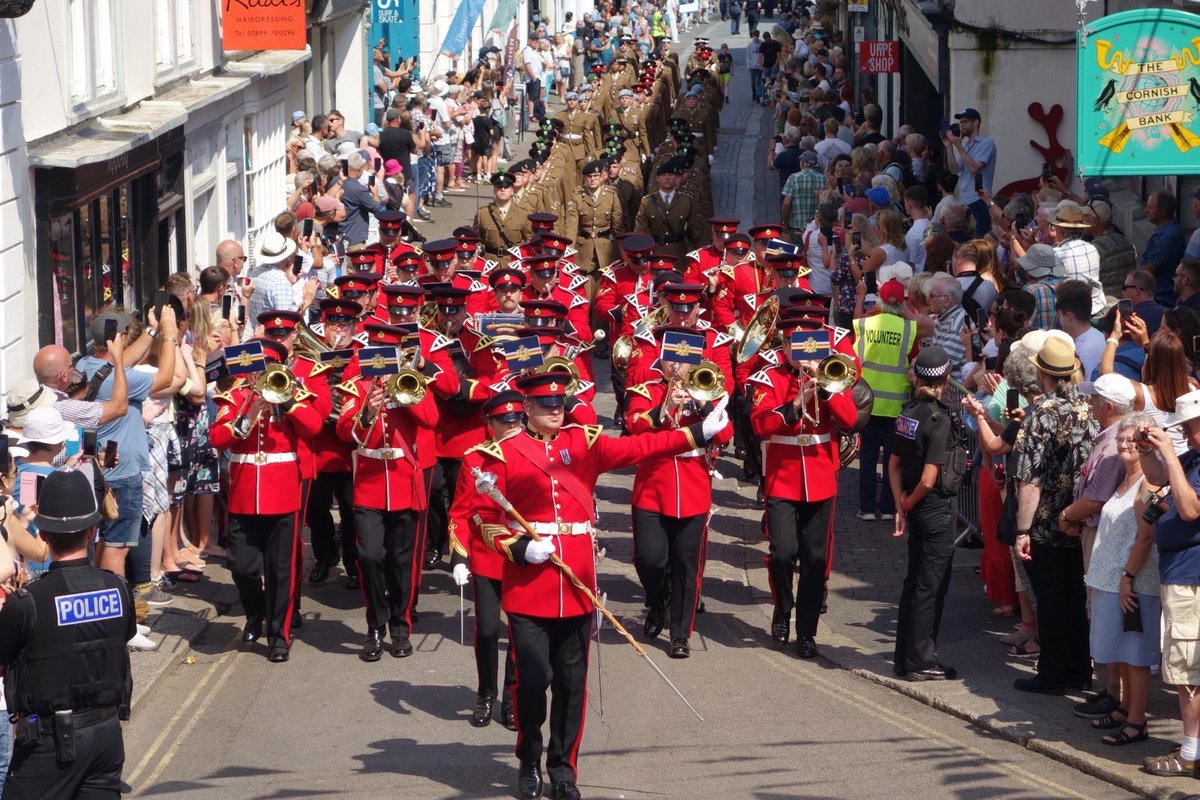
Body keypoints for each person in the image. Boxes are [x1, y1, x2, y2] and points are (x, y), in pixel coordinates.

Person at [475, 372, 729, 800]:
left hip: (576, 584)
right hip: (529, 585)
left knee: (573, 686)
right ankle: (529, 757)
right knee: (533, 681)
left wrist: (696, 433)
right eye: (545, 404)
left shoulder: (584, 443)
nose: (555, 409)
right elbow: (482, 519)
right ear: (527, 408)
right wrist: (518, 548)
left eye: (560, 403)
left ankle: (563, 769)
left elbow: (640, 446)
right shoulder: (502, 453)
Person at [0, 468, 135, 800]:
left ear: (43, 535)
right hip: (106, 737)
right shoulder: (119, 589)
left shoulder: (26, 603)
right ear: (92, 531)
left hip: (48, 746)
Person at [750, 310, 860, 658]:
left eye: (812, 349)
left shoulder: (831, 377)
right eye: (798, 347)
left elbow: (850, 420)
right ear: (784, 346)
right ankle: (783, 608)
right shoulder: (769, 378)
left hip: (819, 476)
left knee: (815, 559)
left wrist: (825, 390)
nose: (805, 356)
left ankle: (807, 631)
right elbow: (761, 425)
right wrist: (795, 404)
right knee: (782, 553)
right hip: (782, 477)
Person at [211, 339, 325, 663]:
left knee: (280, 571)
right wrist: (248, 412)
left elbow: (315, 426)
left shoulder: (291, 394)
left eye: (264, 369)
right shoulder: (234, 396)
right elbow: (218, 437)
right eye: (252, 370)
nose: (256, 376)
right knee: (242, 567)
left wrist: (287, 403)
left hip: (283, 492)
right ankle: (255, 611)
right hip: (245, 494)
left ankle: (279, 636)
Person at [1012, 337, 1098, 694]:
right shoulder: (1087, 407)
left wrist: (1022, 530)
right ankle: (1079, 670)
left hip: (1047, 521)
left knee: (1050, 598)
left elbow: (1030, 480)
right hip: (1077, 517)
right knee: (1074, 596)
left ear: (1042, 373)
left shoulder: (1041, 414)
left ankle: (1053, 673)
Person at [1081, 412, 1160, 747]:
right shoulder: (1124, 478)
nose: (1126, 444)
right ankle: (1125, 708)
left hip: (1133, 584)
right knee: (1121, 653)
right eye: (1122, 439)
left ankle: (1137, 721)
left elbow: (1145, 538)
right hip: (1111, 581)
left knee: (1136, 655)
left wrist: (1128, 578)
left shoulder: (1147, 483)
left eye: (1134, 440)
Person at [889, 346, 963, 681]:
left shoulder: (907, 412)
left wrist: (899, 503)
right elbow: (930, 478)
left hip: (914, 506)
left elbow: (893, 464)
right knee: (930, 586)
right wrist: (908, 503)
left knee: (913, 582)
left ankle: (904, 658)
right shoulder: (939, 419)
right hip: (933, 508)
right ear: (946, 380)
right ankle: (922, 661)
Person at [1138, 389, 1200, 776]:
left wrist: (1170, 455)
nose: (1188, 435)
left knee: (1188, 671)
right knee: (1187, 671)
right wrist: (1149, 450)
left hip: (1190, 579)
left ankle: (1191, 754)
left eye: (1191, 428)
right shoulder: (1194, 457)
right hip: (1181, 574)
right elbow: (1158, 475)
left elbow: (1190, 508)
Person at [854, 279, 919, 521]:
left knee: (868, 458)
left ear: (879, 299)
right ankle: (890, 506)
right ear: (903, 304)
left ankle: (867, 508)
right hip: (896, 405)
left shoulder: (865, 324)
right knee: (894, 460)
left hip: (867, 403)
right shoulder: (908, 328)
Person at [942, 107, 996, 235]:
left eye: (965, 122)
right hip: (964, 201)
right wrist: (949, 147)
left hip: (979, 201)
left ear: (976, 123)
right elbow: (954, 169)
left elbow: (974, 168)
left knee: (978, 240)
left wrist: (958, 146)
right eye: (960, 123)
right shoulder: (966, 145)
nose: (961, 126)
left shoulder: (987, 144)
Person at [1139, 188, 1186, 305]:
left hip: (1162, 299)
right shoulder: (1162, 230)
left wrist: (1129, 274)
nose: (1145, 211)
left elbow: (1149, 269)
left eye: (1150, 208)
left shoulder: (1169, 235)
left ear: (1163, 211)